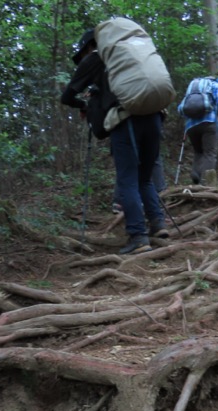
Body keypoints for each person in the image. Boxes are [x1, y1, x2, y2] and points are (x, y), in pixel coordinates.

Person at [61, 29, 169, 254]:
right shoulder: (132, 54)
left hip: (126, 119)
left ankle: (138, 237)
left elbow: (67, 96)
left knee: (128, 179)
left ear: (89, 47)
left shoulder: (94, 58)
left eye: (81, 54)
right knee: (145, 178)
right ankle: (158, 225)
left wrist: (84, 105)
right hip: (155, 115)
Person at [176, 76, 218, 186]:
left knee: (198, 151)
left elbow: (183, 106)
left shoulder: (193, 86)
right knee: (209, 152)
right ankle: (207, 183)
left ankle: (196, 174)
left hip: (190, 125)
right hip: (208, 121)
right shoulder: (215, 85)